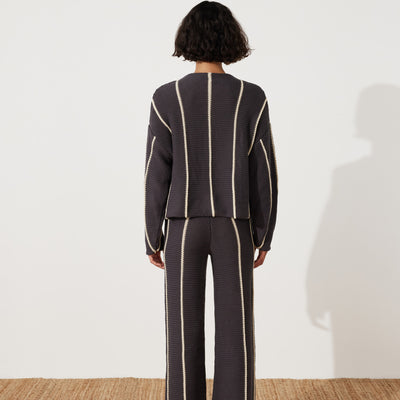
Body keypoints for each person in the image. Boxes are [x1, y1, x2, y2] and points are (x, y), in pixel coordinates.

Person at [143, 2, 278, 399]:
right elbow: (263, 172)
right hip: (234, 226)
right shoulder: (251, 97)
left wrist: (152, 236)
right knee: (237, 329)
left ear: (187, 38)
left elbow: (155, 173)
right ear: (231, 39)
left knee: (181, 328)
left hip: (182, 226)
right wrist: (263, 234)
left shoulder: (167, 97)